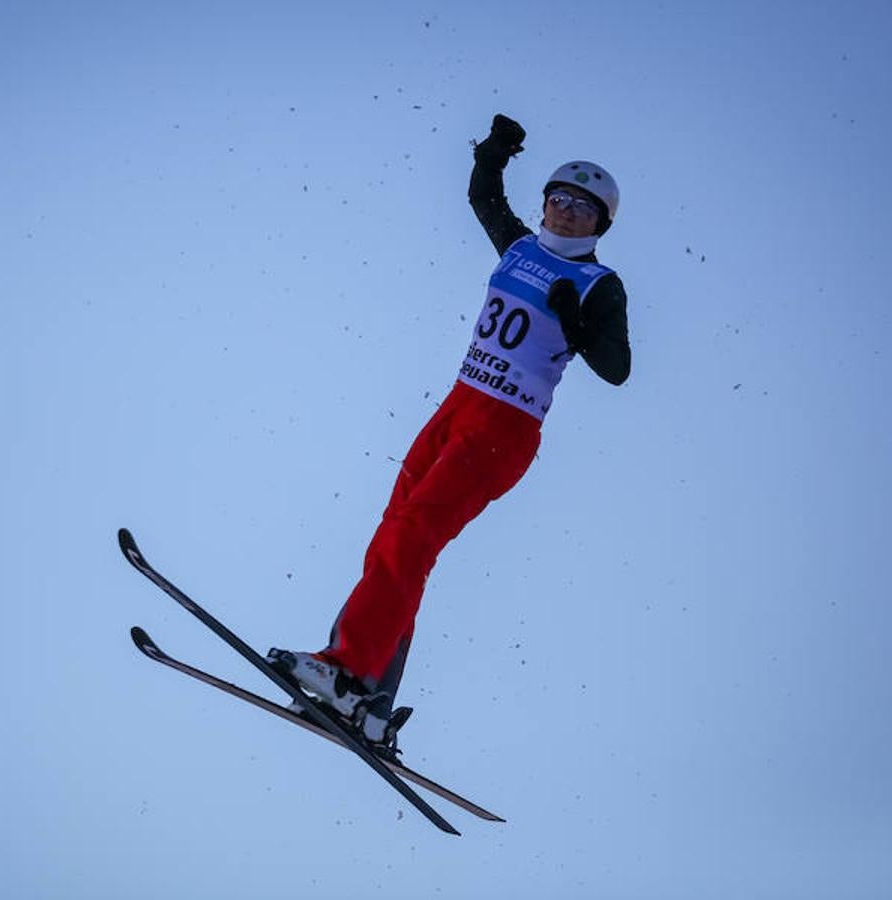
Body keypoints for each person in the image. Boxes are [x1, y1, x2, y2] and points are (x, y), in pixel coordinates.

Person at [267, 113, 631, 753]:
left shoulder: (599, 284)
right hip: (457, 405)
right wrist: (492, 154)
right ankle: (370, 703)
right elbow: (482, 199)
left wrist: (576, 325)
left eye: (584, 208)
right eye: (559, 199)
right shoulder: (520, 247)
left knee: (412, 537)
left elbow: (617, 369)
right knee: (393, 537)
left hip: (506, 424)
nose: (567, 212)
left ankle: (346, 672)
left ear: (602, 224)